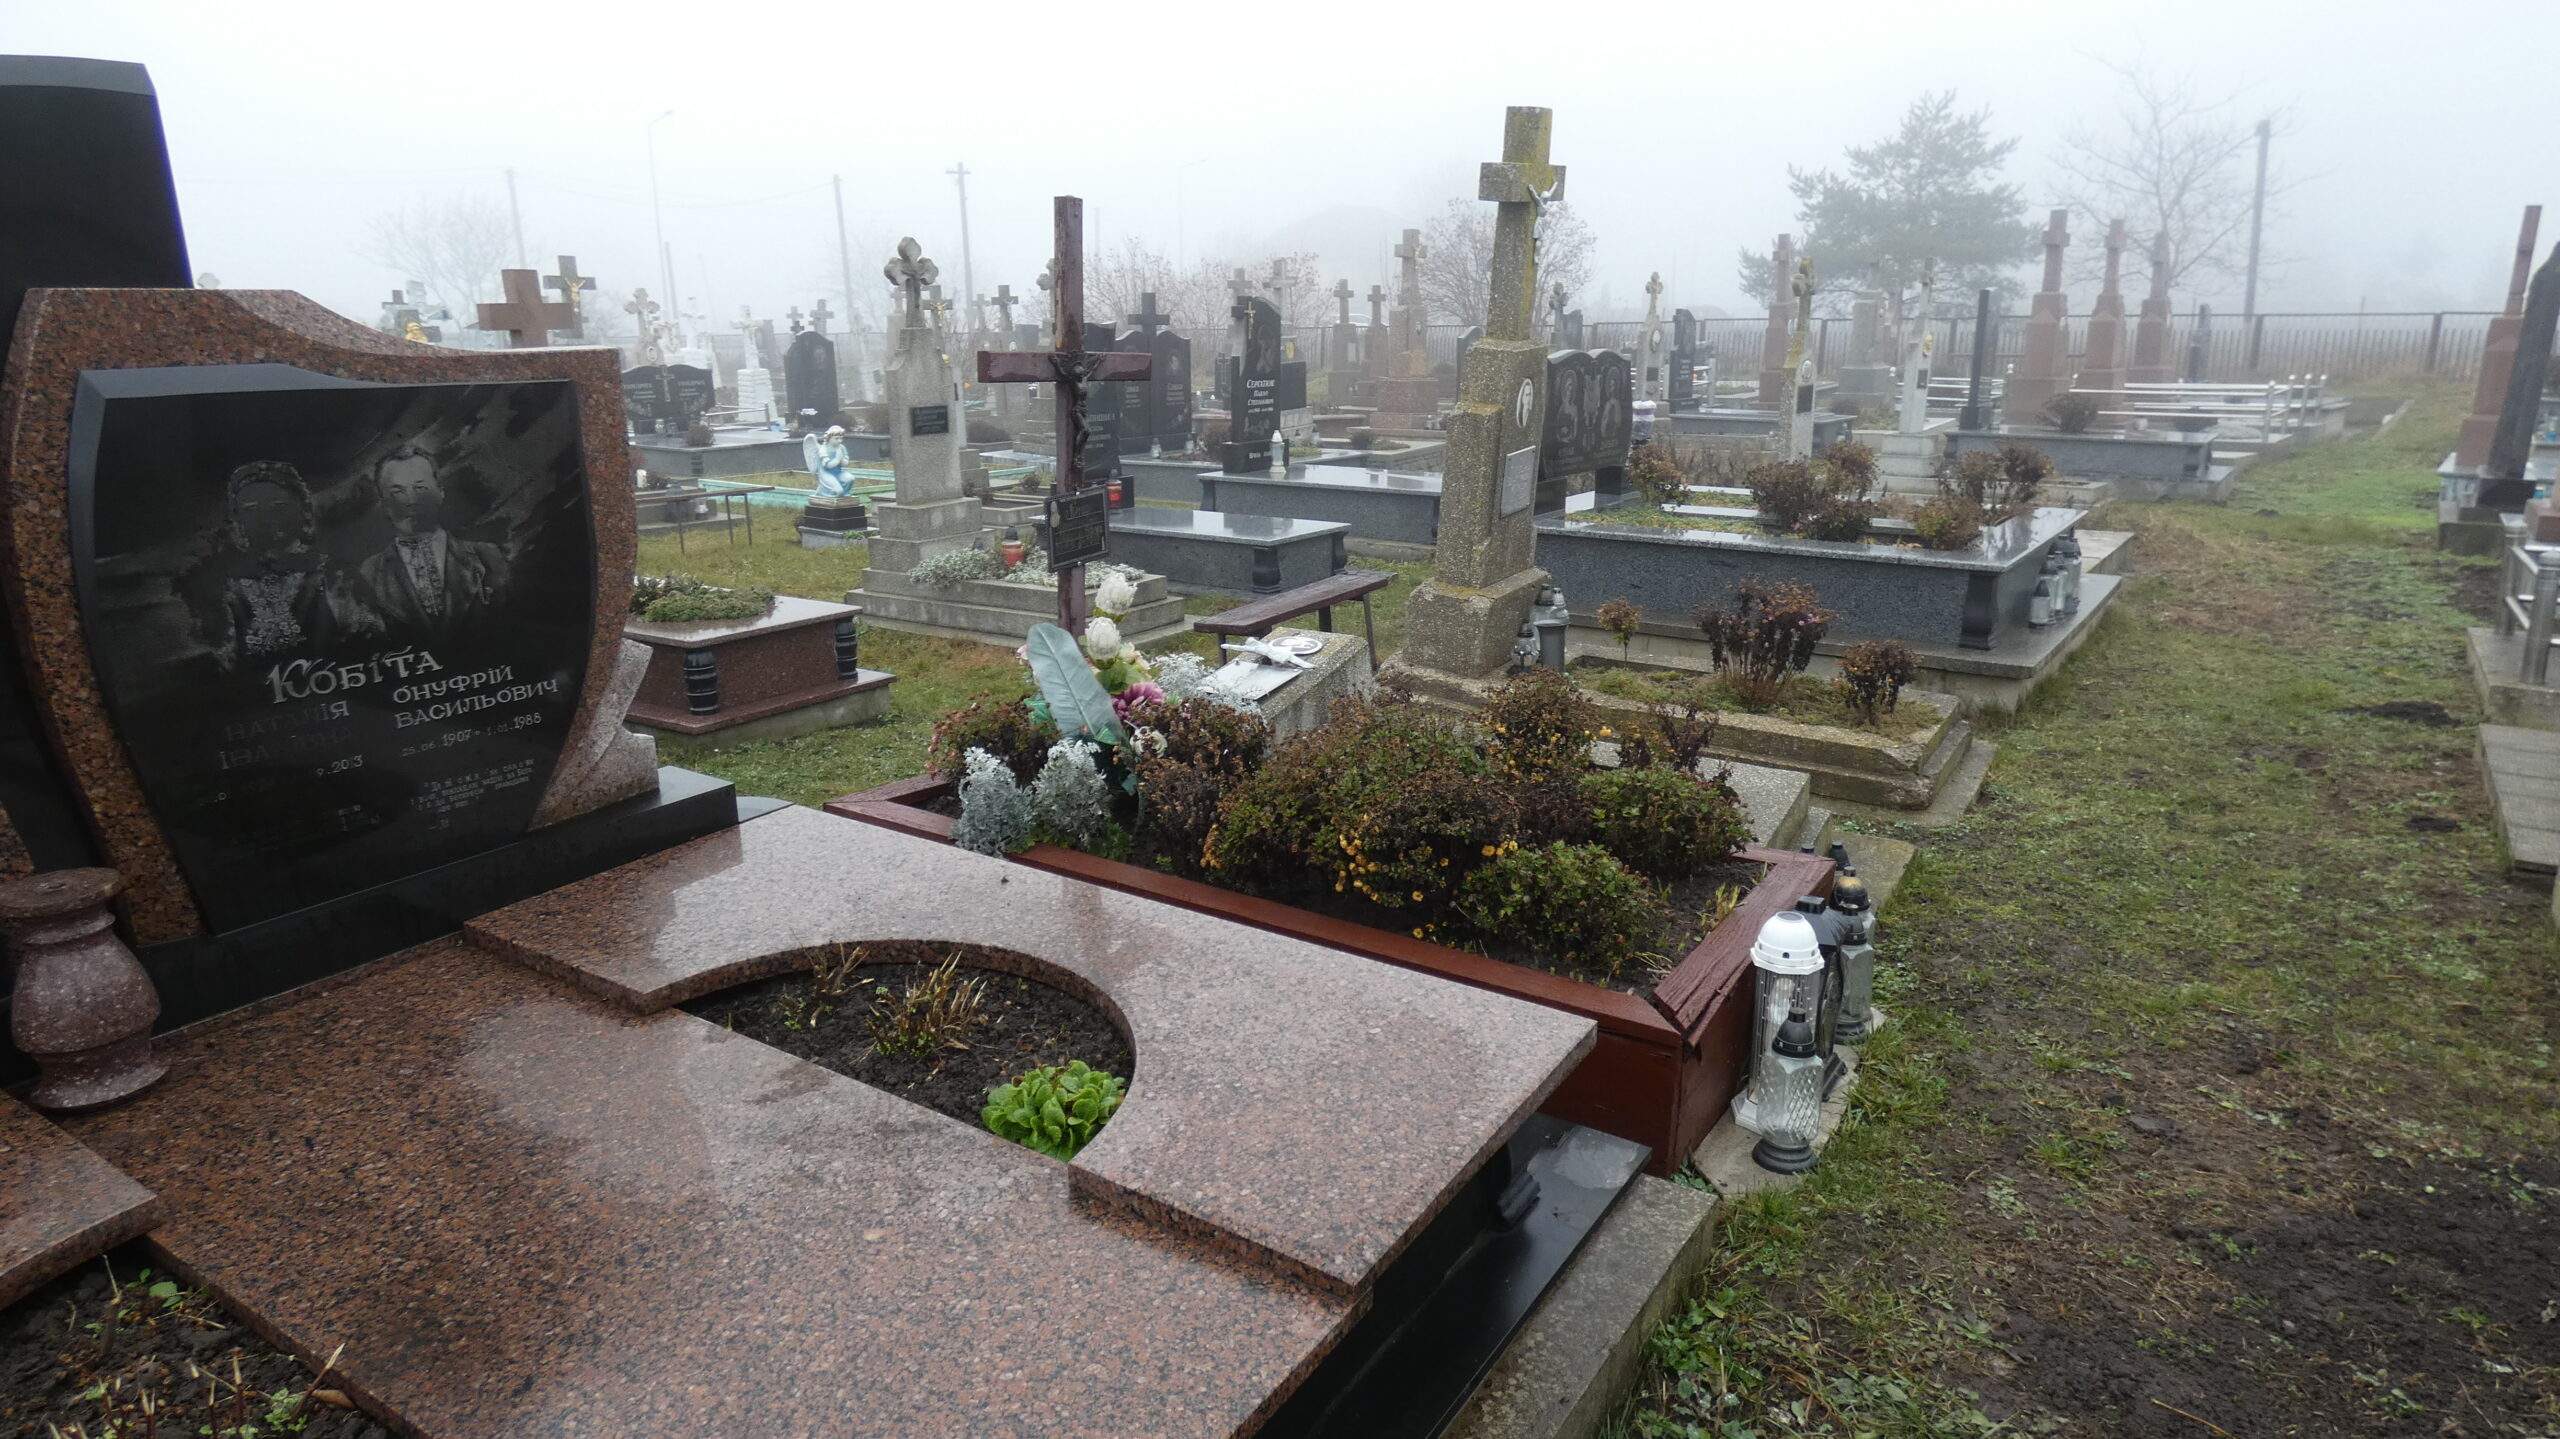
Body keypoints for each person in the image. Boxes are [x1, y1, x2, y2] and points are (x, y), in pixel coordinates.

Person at [199, 460, 381, 670]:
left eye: (278, 506)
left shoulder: (336, 575)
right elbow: (229, 661)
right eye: (250, 510)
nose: (264, 518)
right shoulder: (234, 588)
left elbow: (371, 642)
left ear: (303, 510)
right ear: (238, 521)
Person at [354, 445, 510, 640]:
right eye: (397, 491)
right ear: (384, 504)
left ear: (440, 492)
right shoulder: (368, 573)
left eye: (420, 488)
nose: (410, 501)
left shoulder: (487, 557)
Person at [808, 424, 857, 498]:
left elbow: (845, 464)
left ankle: (844, 495)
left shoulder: (842, 448)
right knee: (839, 492)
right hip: (826, 473)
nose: (840, 441)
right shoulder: (823, 449)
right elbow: (828, 466)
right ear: (829, 438)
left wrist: (841, 459)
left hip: (838, 472)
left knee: (850, 478)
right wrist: (837, 459)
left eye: (841, 438)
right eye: (836, 438)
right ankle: (823, 494)